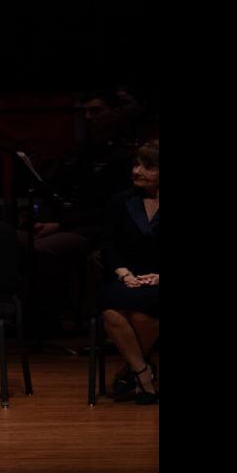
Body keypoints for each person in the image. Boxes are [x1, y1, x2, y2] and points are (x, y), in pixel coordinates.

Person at [98, 140, 159, 404]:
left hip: (158, 279)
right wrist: (125, 274)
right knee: (111, 308)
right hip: (126, 276)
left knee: (145, 316)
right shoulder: (121, 201)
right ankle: (144, 375)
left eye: (148, 167)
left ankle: (130, 372)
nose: (137, 171)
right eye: (136, 164)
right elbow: (107, 245)